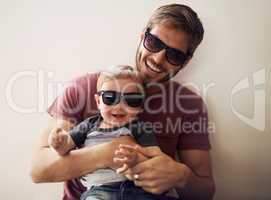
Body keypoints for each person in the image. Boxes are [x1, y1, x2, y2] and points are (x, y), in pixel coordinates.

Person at [30, 4, 215, 200]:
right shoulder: (82, 88)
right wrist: (109, 152)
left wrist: (181, 176)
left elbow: (205, 192)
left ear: (185, 62)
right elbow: (39, 169)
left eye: (175, 55)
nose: (158, 58)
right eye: (154, 42)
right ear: (143, 36)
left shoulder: (188, 104)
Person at [48, 65, 168, 200]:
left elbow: (157, 160)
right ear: (98, 101)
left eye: (132, 100)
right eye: (110, 98)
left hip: (138, 190)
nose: (119, 106)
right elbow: (65, 148)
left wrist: (137, 160)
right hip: (99, 191)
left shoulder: (140, 128)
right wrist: (58, 142)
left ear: (140, 106)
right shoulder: (88, 125)